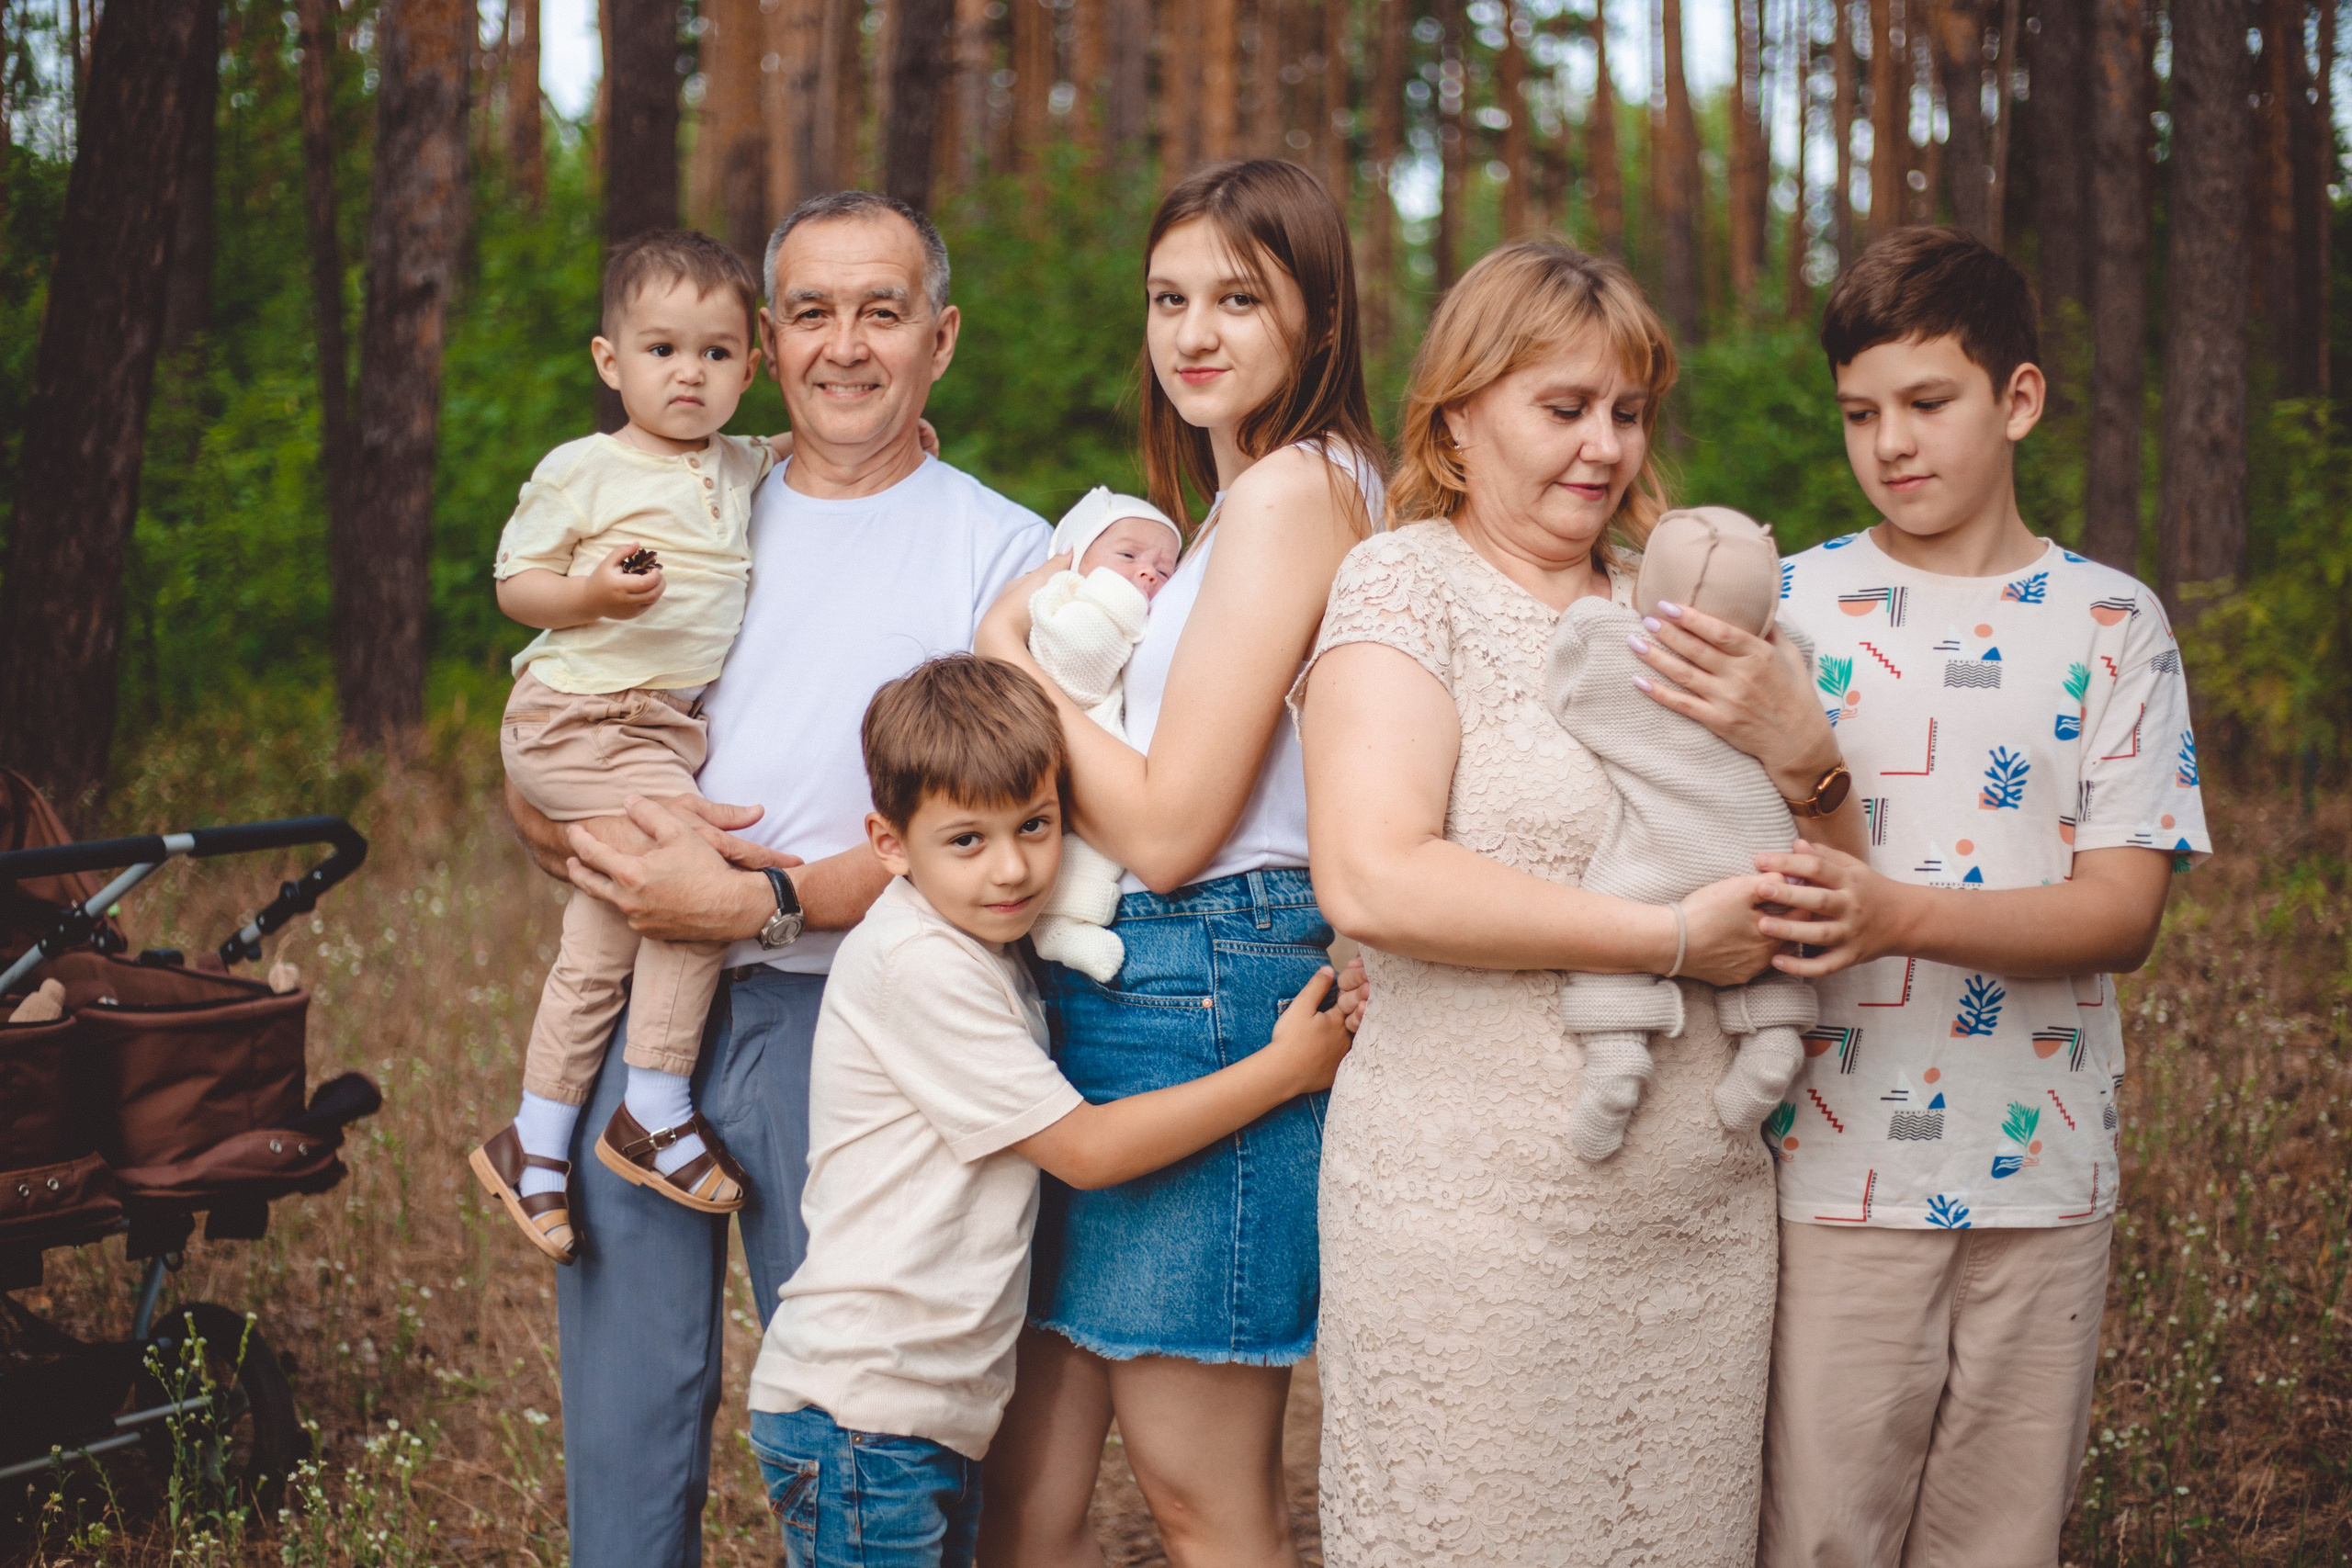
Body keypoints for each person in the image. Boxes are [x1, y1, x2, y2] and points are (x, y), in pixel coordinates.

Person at [503, 190, 1051, 1568]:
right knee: (626, 1444)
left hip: (865, 1031)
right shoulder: (695, 492)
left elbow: (1002, 835)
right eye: (811, 312)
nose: (846, 346)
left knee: (868, 1422)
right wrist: (548, 813)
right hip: (650, 1021)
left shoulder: (1003, 549)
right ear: (763, 339)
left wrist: (766, 902)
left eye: (883, 310)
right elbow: (568, 697)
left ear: (943, 335)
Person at [1293, 239, 1854, 1564]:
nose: (1602, 446)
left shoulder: (1669, 608)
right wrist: (1668, 938)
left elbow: (1831, 874)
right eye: (1563, 407)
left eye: (1627, 410)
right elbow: (1374, 871)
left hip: (1697, 1222)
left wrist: (1805, 753)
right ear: (1457, 413)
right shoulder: (1405, 584)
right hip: (1470, 1229)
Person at [1734, 226, 2210, 1566]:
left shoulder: (2114, 623)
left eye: (1928, 402)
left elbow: (2122, 910)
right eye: (1859, 413)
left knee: (2001, 1539)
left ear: (2019, 399)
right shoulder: (1793, 607)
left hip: (2045, 1163)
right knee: (1822, 1532)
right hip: (1829, 1162)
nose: (1890, 441)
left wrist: (1895, 913)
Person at [973, 159, 1385, 1568]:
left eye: (1238, 299)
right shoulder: (1224, 510)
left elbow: (1166, 825)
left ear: (1316, 320)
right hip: (1138, 977)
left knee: (1204, 1492)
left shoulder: (1293, 495)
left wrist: (1010, 667)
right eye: (1168, 297)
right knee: (1035, 1456)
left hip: (1209, 973)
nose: (1193, 331)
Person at [746, 654, 1356, 1568]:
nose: (1012, 869)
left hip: (914, 1410)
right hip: (865, 1413)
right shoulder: (919, 965)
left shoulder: (981, 946)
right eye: (967, 841)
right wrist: (1281, 1072)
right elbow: (1086, 1149)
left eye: (1035, 827)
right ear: (888, 842)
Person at [471, 230, 775, 1265]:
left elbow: (803, 452)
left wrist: (905, 441)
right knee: (692, 882)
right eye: (661, 350)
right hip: (577, 715)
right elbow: (517, 588)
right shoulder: (584, 470)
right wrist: (593, 595)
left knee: (603, 936)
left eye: (716, 352)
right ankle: (651, 1102)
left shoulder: (741, 464)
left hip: (654, 730)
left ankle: (537, 1139)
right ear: (612, 362)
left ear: (753, 364)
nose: (687, 372)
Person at [1023, 488, 1184, 982]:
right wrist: (1122, 599)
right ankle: (1054, 926)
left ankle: (1063, 923)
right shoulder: (1060, 603)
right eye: (1128, 555)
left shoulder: (1129, 615)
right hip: (1055, 761)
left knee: (1092, 855)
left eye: (1165, 569)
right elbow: (1078, 663)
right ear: (1072, 556)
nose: (1147, 573)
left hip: (1096, 770)